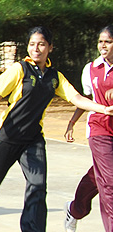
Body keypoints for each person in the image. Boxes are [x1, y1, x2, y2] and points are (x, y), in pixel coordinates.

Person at [0, 26, 113, 232]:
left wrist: (102, 109)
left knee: (37, 187)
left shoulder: (55, 77)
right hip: (7, 136)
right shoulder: (19, 69)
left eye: (41, 44)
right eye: (32, 44)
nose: (36, 48)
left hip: (33, 140)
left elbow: (77, 98)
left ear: (50, 47)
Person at [62, 25, 113, 232]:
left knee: (100, 175)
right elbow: (87, 100)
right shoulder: (91, 68)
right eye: (100, 41)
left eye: (107, 41)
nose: (103, 45)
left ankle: (75, 209)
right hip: (99, 129)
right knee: (110, 182)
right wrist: (72, 122)